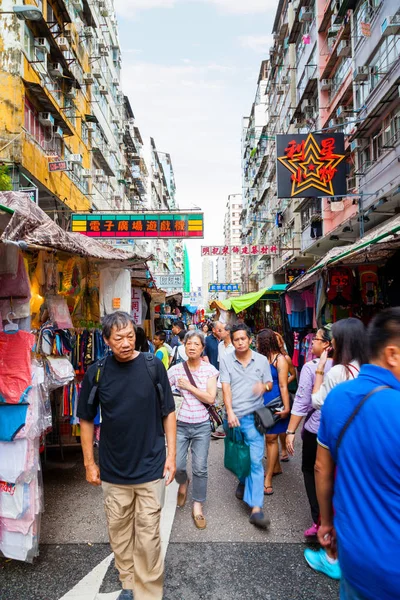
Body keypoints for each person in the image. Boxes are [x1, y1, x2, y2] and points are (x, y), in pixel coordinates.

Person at [77, 312, 176, 600]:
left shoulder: (152, 366)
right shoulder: (97, 372)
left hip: (150, 465)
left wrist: (170, 456)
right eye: (118, 338)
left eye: (130, 336)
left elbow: (168, 411)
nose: (125, 342)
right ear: (106, 340)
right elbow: (86, 418)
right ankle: (129, 583)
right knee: (120, 536)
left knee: (148, 538)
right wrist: (88, 464)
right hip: (113, 469)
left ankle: (148, 594)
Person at [315, 308, 400, 599]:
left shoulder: (338, 396)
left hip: (353, 556)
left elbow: (321, 469)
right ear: (392, 354)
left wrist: (326, 523)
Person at [304, 317, 367, 580]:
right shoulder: (370, 368)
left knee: (338, 497)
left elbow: (317, 401)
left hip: (340, 443)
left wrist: (320, 368)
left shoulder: (339, 372)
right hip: (365, 444)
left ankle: (333, 557)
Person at [219, 323, 273, 529]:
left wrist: (264, 387)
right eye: (236, 340)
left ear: (249, 340)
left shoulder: (261, 360)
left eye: (243, 339)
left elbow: (269, 384)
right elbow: (225, 388)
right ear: (232, 342)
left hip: (254, 418)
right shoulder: (226, 360)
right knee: (238, 456)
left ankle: (256, 509)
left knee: (256, 461)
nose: (240, 342)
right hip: (233, 418)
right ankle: (243, 479)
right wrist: (230, 411)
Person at [285, 326, 333, 538]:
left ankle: (319, 520)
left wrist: (290, 431)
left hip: (316, 431)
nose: (311, 343)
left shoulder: (312, 367)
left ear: (327, 345)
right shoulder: (354, 367)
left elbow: (303, 402)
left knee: (311, 471)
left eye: (316, 340)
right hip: (342, 432)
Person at [168, 331, 218, 529]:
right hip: (179, 426)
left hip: (201, 426)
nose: (192, 347)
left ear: (202, 348)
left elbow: (211, 398)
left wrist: (188, 387)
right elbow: (162, 389)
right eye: (188, 343)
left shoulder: (210, 370)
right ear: (184, 346)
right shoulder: (175, 370)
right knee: (178, 465)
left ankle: (197, 506)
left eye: (196, 344)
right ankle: (183, 482)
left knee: (200, 467)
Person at [257, 329, 291, 496]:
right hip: (261, 401)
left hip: (275, 401)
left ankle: (268, 477)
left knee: (271, 437)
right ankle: (275, 467)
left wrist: (286, 407)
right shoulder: (260, 359)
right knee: (267, 436)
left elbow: (284, 385)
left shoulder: (281, 360)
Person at [275, 332, 297, 463]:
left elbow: (293, 374)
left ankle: (283, 449)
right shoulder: (265, 358)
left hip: (283, 394)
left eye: (278, 340)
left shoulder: (286, 358)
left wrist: (283, 383)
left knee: (282, 424)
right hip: (270, 394)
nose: (277, 343)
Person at [211, 323, 234, 440]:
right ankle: (221, 427)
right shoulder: (220, 345)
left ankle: (226, 428)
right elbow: (220, 363)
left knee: (230, 403)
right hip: (221, 380)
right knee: (219, 404)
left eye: (221, 330)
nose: (218, 332)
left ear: (228, 332)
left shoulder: (235, 346)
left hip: (233, 381)